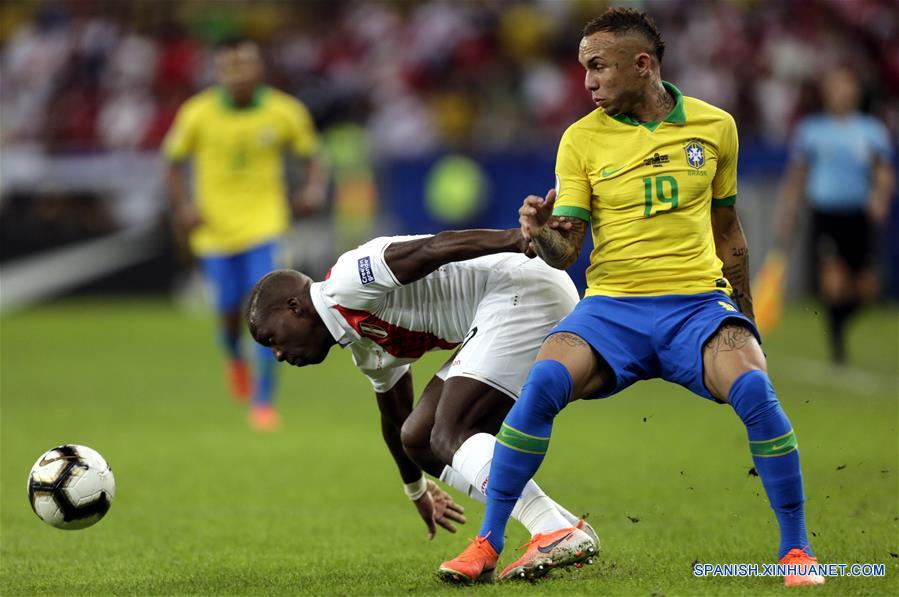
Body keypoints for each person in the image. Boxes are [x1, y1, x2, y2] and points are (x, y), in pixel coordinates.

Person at [440, 8, 824, 586]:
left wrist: (742, 320)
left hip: (695, 307)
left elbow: (728, 233)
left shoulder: (716, 127)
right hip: (611, 311)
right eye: (583, 69)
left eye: (598, 67)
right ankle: (488, 543)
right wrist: (539, 233)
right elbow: (566, 250)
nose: (587, 81)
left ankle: (797, 551)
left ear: (642, 65)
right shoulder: (580, 139)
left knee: (754, 387)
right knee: (543, 383)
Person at [245, 229, 598, 562]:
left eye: (271, 338)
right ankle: (561, 524)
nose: (276, 354)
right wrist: (416, 488)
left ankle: (552, 531)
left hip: (524, 287)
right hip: (504, 309)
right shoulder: (365, 349)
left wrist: (519, 238)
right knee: (421, 438)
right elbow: (396, 420)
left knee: (450, 430)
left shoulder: (348, 279)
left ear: (294, 306)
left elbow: (435, 248)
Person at [163, 39, 329, 430]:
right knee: (226, 312)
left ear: (259, 69)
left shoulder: (283, 111)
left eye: (245, 67)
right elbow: (171, 161)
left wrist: (313, 189)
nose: (238, 75)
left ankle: (263, 402)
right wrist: (183, 205)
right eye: (230, 68)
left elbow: (313, 156)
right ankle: (233, 355)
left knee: (274, 313)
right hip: (215, 233)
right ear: (219, 73)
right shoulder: (197, 113)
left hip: (265, 227)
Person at [775, 66, 894, 364]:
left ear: (855, 91)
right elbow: (797, 176)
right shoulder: (811, 130)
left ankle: (840, 324)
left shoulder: (871, 130)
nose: (841, 91)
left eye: (846, 85)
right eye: (835, 85)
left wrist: (880, 197)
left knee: (867, 288)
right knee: (834, 282)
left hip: (858, 215)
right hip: (826, 213)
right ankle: (836, 342)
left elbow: (883, 171)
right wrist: (788, 213)